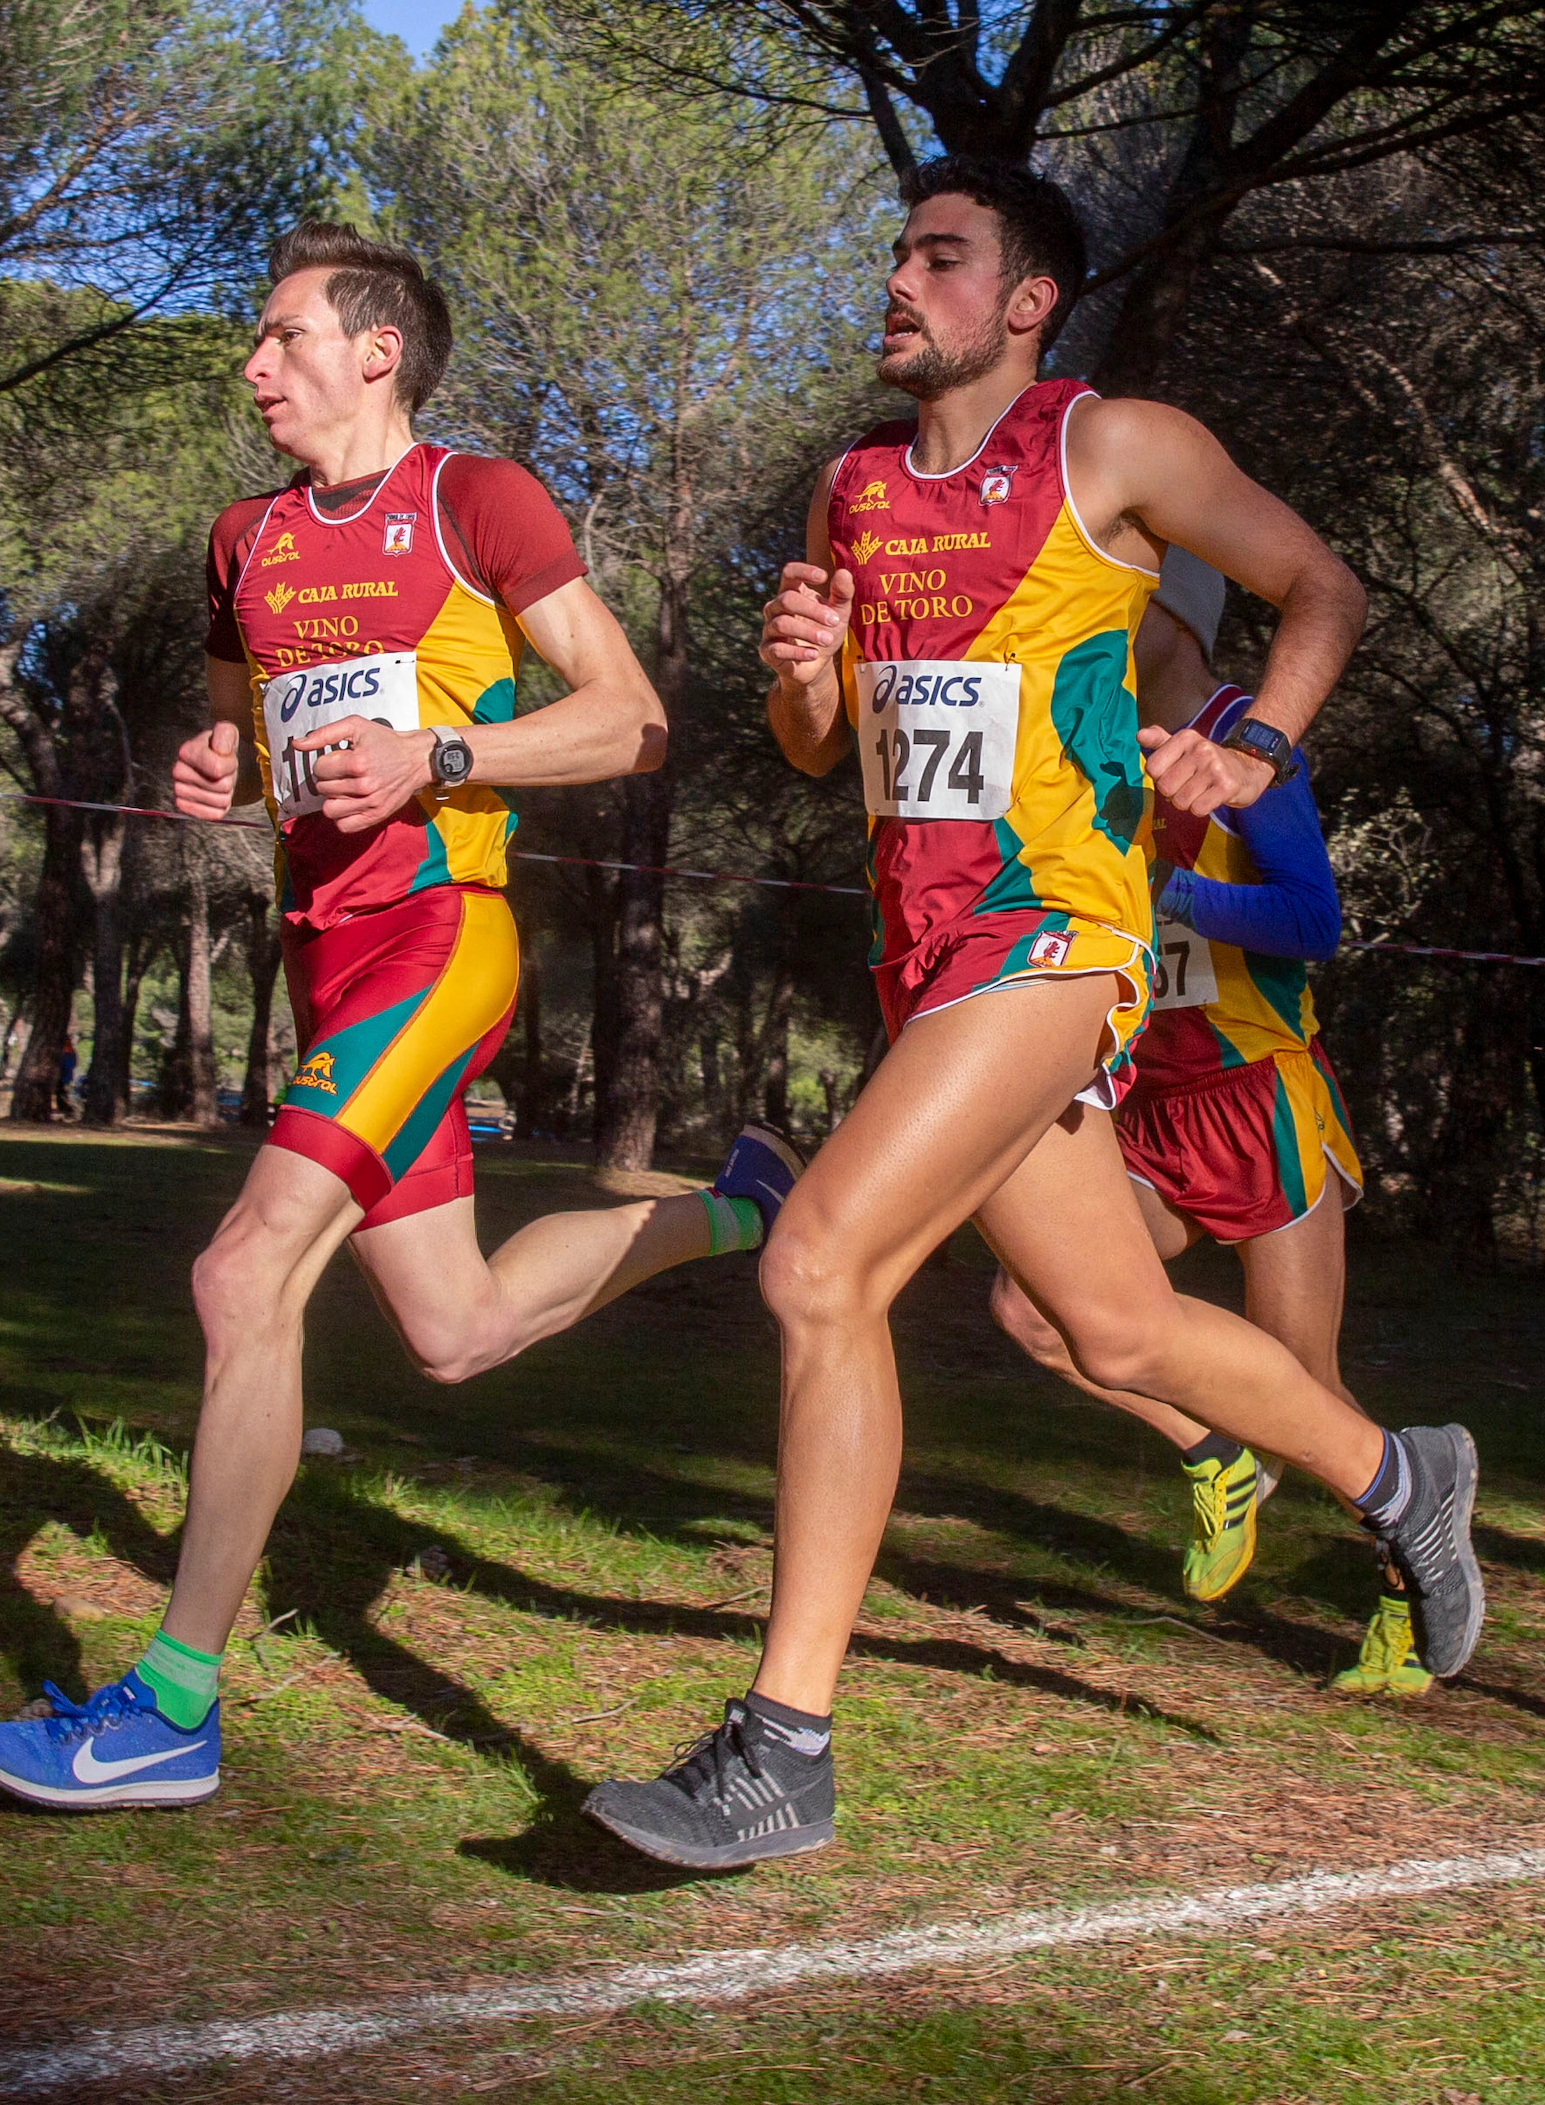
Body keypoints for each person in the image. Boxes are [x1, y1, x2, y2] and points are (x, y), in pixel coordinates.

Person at [580, 158, 1485, 1872]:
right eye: (897, 251)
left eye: (942, 254)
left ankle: (784, 1742)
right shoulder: (852, 488)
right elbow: (818, 744)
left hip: (1055, 940)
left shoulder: (1112, 447)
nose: (900, 279)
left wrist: (1255, 746)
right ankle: (1398, 1475)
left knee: (818, 1264)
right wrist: (794, 667)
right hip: (927, 957)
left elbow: (1325, 590)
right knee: (1119, 1327)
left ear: (1026, 299)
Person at [0, 228, 794, 1816]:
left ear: (376, 352)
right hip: (321, 957)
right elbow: (241, 739)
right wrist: (217, 773)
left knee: (240, 1269)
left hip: (440, 941)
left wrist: (449, 758)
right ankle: (744, 1206)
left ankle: (170, 1704)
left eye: (282, 336)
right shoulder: (242, 539)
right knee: (456, 1326)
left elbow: (629, 716)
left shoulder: (476, 502)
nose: (255, 363)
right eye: (256, 339)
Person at [983, 551, 1426, 1694]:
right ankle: (1210, 1450)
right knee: (1032, 1308)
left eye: (1107, 603)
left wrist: (1165, 895)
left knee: (1307, 1394)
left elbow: (1308, 917)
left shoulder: (1242, 741)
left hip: (1259, 1097)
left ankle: (1412, 1587)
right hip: (1146, 1104)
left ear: (1164, 614)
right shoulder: (1091, 737)